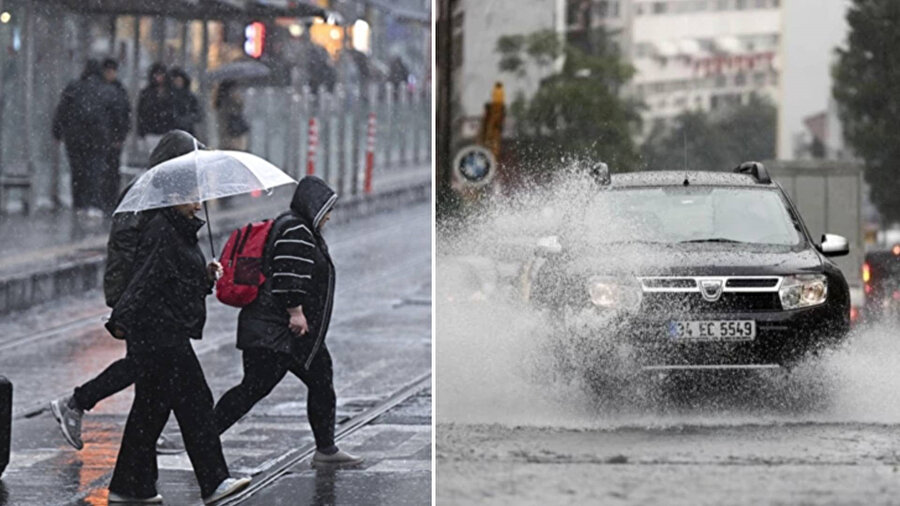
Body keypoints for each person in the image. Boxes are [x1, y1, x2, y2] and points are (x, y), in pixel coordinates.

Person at [160, 177, 362, 467]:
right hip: (279, 330)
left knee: (310, 382)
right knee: (256, 388)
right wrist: (295, 311)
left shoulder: (295, 226)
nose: (329, 215)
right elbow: (288, 274)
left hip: (279, 330)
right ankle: (202, 440)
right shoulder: (297, 231)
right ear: (314, 205)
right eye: (327, 208)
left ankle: (326, 449)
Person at [50, 131, 208, 455]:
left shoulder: (163, 193)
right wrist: (124, 300)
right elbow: (126, 250)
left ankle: (142, 430)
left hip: (150, 297)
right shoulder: (146, 194)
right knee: (146, 365)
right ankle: (77, 403)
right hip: (142, 298)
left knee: (150, 368)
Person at [102, 163, 248, 503]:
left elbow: (175, 281)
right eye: (192, 197)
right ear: (173, 197)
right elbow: (146, 279)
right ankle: (214, 481)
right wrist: (121, 318)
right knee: (196, 404)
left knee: (150, 411)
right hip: (160, 334)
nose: (198, 204)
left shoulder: (177, 229)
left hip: (161, 331)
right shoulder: (163, 231)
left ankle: (129, 486)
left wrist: (204, 276)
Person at [52, 59, 117, 218]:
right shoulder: (107, 90)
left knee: (77, 171)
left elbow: (62, 111)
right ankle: (93, 204)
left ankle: (79, 203)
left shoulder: (73, 88)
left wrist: (57, 132)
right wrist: (116, 135)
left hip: (75, 138)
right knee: (95, 170)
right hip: (98, 138)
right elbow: (116, 114)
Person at [101, 58, 132, 215]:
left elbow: (124, 115)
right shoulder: (116, 91)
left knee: (112, 170)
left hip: (112, 137)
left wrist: (120, 135)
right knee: (106, 170)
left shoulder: (118, 90)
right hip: (104, 137)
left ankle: (110, 200)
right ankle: (107, 200)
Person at [137, 63, 175, 149]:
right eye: (157, 74)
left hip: (167, 131)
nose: (159, 77)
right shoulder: (146, 93)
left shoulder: (171, 93)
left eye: (161, 74)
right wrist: (141, 132)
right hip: (151, 132)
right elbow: (141, 113)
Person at [214, 80, 249, 150]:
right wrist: (238, 101)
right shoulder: (229, 102)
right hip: (233, 134)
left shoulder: (221, 101)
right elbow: (235, 113)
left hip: (228, 135)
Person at [169, 67, 202, 135]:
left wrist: (187, 119)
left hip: (188, 131)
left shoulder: (189, 96)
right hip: (172, 130)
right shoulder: (169, 96)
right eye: (176, 81)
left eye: (179, 80)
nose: (178, 83)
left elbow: (198, 113)